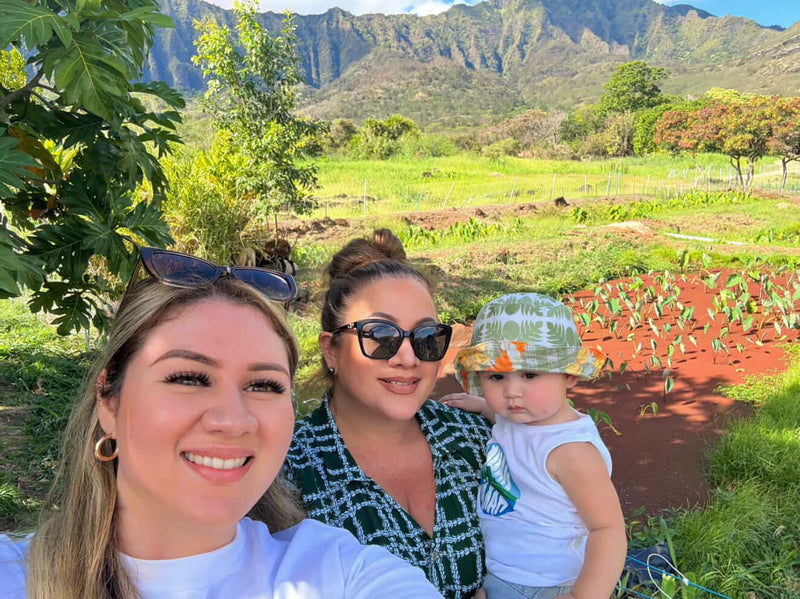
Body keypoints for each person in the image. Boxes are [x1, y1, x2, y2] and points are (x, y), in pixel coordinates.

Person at [0, 247, 441, 598]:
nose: (233, 421)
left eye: (264, 385)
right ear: (108, 402)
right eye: (189, 378)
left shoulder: (338, 573)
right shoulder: (14, 577)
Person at [283, 229, 492, 599]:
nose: (408, 358)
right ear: (331, 350)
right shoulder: (288, 474)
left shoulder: (476, 437)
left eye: (425, 337)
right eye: (380, 335)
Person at [444, 292, 627, 599]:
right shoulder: (519, 418)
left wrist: (583, 596)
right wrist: (484, 407)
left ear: (568, 375)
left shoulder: (571, 451)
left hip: (543, 585)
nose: (512, 392)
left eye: (529, 374)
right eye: (497, 376)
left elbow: (608, 530)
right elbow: (508, 425)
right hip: (506, 573)